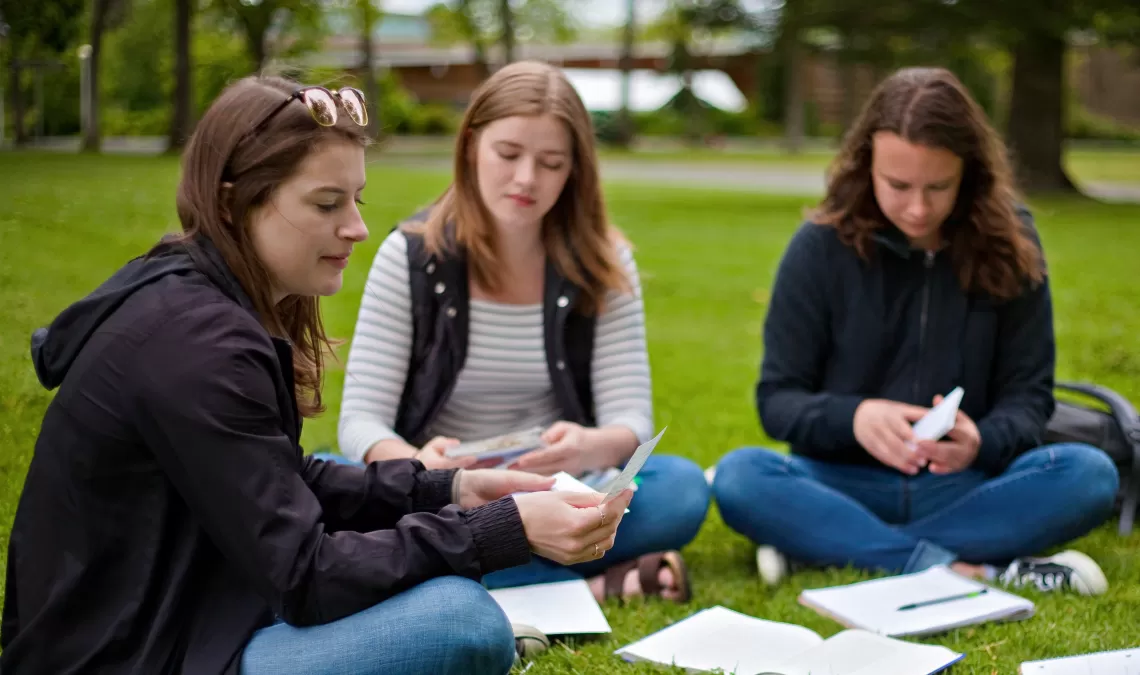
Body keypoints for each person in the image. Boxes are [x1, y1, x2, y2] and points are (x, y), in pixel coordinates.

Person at [0, 75, 634, 675]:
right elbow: (305, 573)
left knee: (455, 598)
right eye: (327, 203)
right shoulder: (196, 342)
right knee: (459, 623)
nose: (357, 228)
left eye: (355, 200)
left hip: (195, 606)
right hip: (131, 652)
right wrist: (504, 528)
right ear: (235, 201)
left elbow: (283, 483)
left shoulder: (207, 303)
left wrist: (454, 491)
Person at [711, 67, 1120, 595]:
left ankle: (841, 548)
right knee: (742, 476)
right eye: (898, 185)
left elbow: (1029, 395)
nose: (918, 208)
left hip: (965, 486)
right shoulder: (819, 246)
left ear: (969, 173)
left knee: (1089, 474)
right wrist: (855, 417)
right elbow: (778, 401)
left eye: (939, 186)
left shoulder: (1009, 241)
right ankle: (966, 568)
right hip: (841, 481)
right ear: (866, 165)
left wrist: (981, 441)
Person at [335, 60, 710, 610]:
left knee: (680, 489)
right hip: (445, 499)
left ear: (574, 171)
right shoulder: (412, 256)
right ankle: (586, 587)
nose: (527, 179)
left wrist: (585, 448)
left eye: (551, 163)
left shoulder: (605, 263)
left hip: (559, 494)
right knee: (338, 491)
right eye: (508, 155)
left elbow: (631, 421)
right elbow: (360, 423)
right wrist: (421, 467)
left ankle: (457, 584)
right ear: (470, 147)